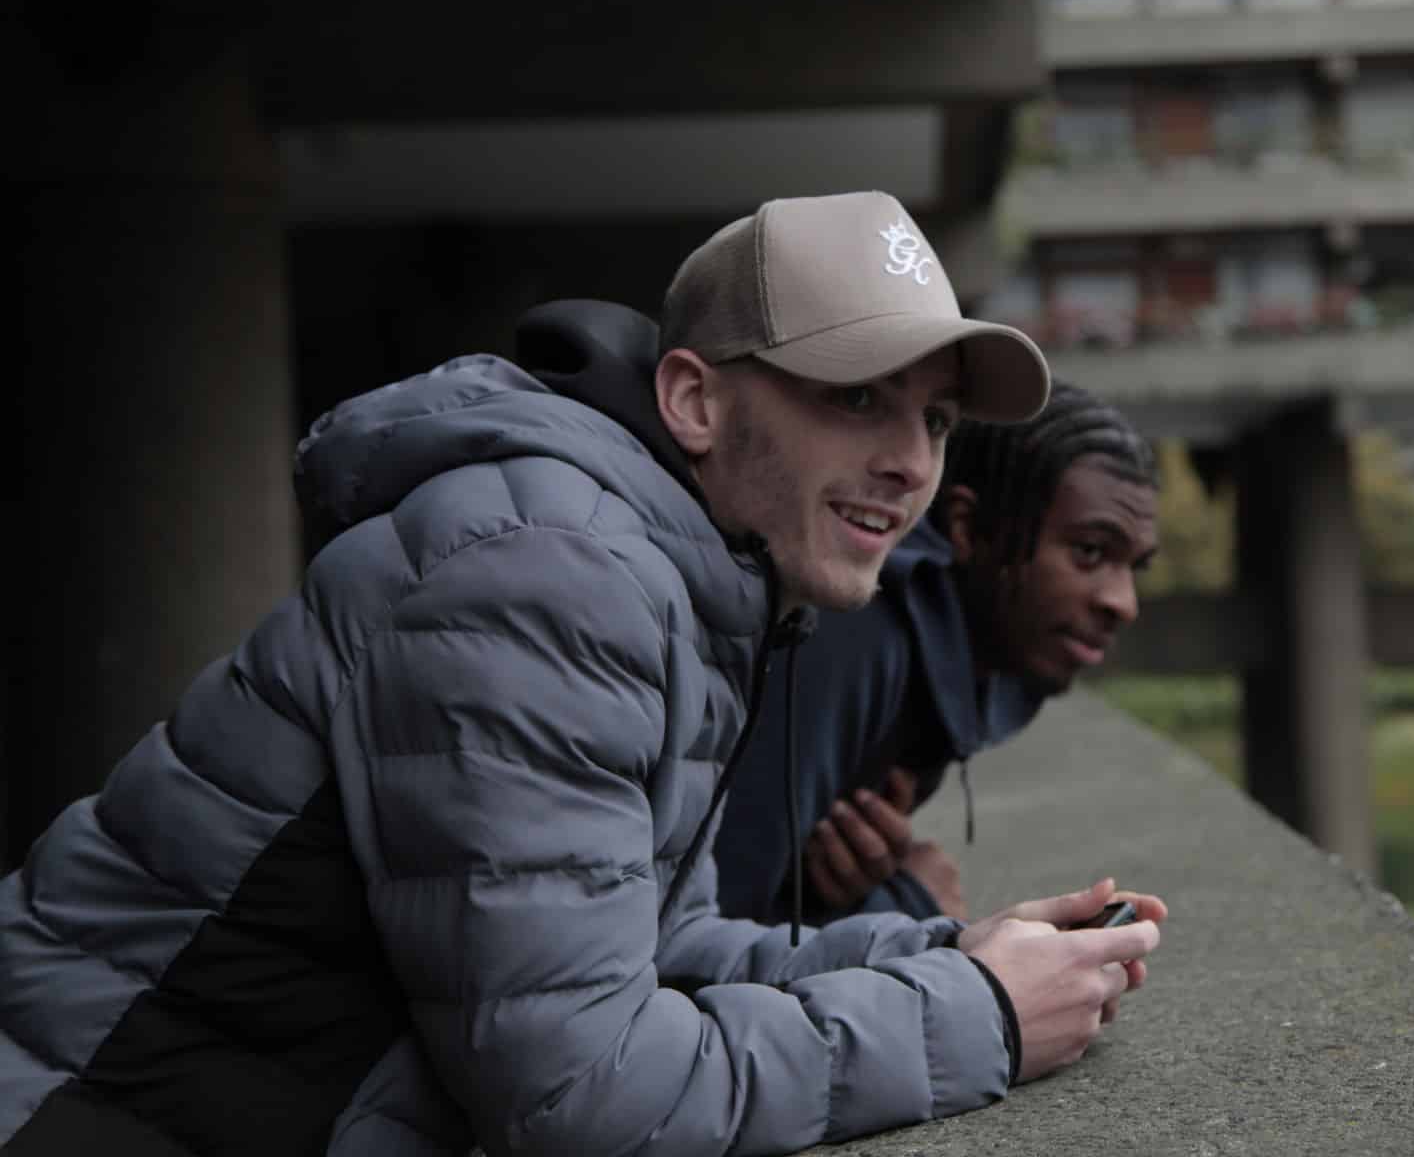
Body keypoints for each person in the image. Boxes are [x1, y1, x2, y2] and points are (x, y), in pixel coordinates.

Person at [0, 192, 1165, 1157]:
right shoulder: (550, 573)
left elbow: (649, 951)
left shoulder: (690, 577)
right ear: (694, 400)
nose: (909, 461)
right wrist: (983, 1017)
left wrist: (947, 951)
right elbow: (583, 1090)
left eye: (938, 418)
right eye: (856, 396)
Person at [708, 383, 1159, 927]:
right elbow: (697, 941)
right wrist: (906, 905)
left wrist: (842, 892)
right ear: (968, 527)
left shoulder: (939, 659)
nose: (1123, 603)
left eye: (1134, 566)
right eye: (1089, 552)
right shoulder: (854, 636)